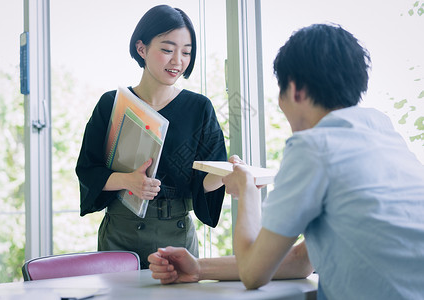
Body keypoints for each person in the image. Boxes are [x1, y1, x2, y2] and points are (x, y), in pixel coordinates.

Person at [149, 23, 424, 299]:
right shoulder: (383, 133)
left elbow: (254, 273)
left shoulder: (313, 146)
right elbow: (301, 260)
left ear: (295, 91)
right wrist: (198, 268)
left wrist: (247, 190)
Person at [76, 5, 227, 269]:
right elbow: (87, 170)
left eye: (186, 52)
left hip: (176, 237)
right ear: (141, 48)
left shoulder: (199, 108)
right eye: (167, 49)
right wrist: (128, 181)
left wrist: (228, 173)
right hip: (119, 236)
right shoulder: (112, 104)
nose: (177, 60)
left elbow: (204, 181)